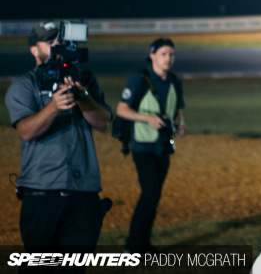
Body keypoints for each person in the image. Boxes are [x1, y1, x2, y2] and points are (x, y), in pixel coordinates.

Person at [4, 20, 112, 271]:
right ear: (34, 50)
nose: (57, 46)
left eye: (60, 41)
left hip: (83, 194)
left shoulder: (83, 81)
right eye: (49, 42)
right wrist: (54, 106)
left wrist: (82, 97)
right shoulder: (24, 84)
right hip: (42, 195)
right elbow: (26, 131)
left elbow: (103, 122)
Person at [116, 37, 187, 253]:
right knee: (151, 193)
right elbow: (121, 110)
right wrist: (147, 118)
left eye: (171, 54)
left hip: (163, 146)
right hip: (142, 146)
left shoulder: (174, 81)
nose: (168, 58)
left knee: (153, 196)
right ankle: (134, 245)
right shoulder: (139, 79)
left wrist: (180, 125)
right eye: (164, 54)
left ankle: (143, 244)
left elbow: (177, 111)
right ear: (152, 55)